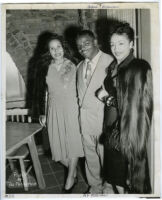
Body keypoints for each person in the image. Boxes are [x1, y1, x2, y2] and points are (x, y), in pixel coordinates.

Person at [97, 22, 153, 194]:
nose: (116, 48)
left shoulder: (137, 67)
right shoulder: (115, 66)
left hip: (125, 134)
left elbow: (133, 105)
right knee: (117, 179)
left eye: (121, 43)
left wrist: (105, 97)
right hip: (112, 131)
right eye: (112, 44)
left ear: (131, 44)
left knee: (125, 180)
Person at [32, 34, 84, 193]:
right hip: (53, 109)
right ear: (48, 51)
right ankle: (72, 170)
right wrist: (42, 112)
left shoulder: (75, 63)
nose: (56, 51)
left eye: (58, 47)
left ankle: (70, 178)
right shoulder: (43, 67)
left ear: (64, 47)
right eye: (52, 48)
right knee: (55, 146)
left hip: (72, 107)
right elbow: (39, 92)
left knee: (73, 142)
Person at [76, 30, 113, 194]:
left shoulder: (110, 62)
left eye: (86, 43)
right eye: (79, 46)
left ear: (95, 41)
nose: (82, 48)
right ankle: (95, 187)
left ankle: (109, 187)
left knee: (106, 157)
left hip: (103, 121)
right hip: (84, 122)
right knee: (90, 157)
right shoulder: (79, 66)